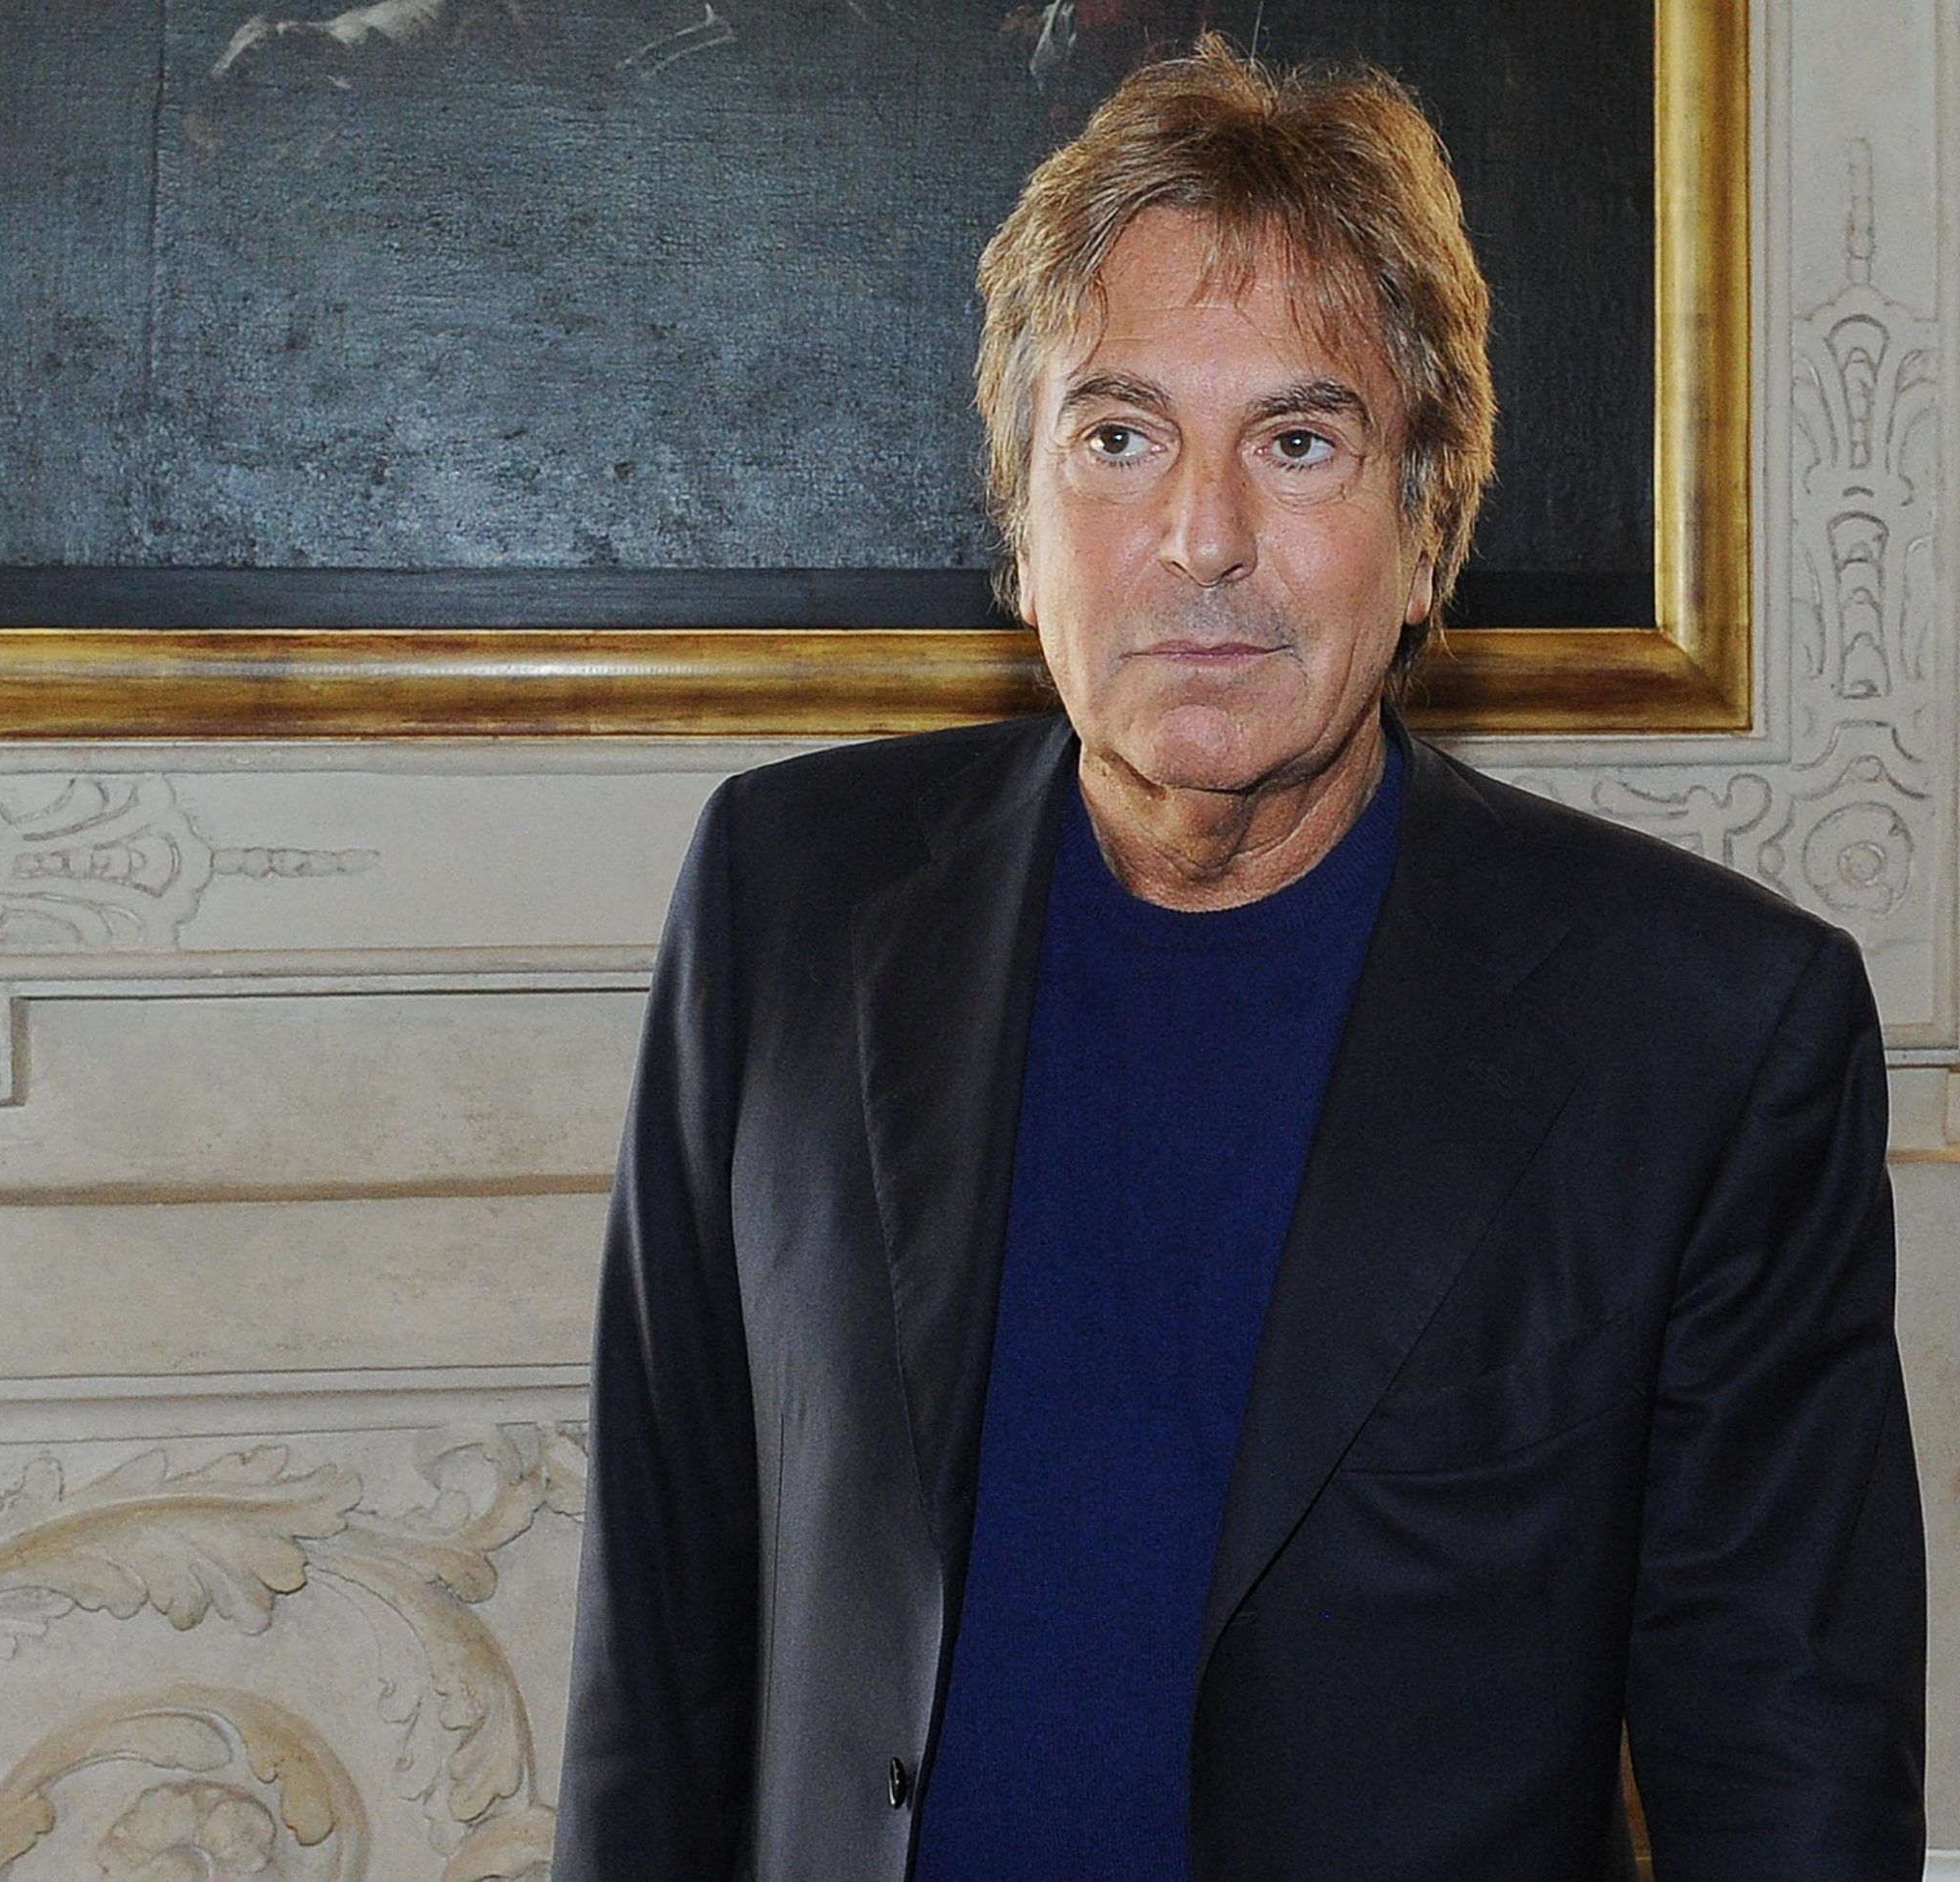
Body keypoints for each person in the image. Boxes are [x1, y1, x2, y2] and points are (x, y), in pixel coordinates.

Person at [552, 37, 1925, 1882]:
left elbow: (1787, 1770)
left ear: (1427, 530)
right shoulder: (784, 899)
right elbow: (661, 1651)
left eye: (1299, 443)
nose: (1201, 539)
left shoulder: (1708, 1030)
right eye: (1118, 439)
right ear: (1017, 524)